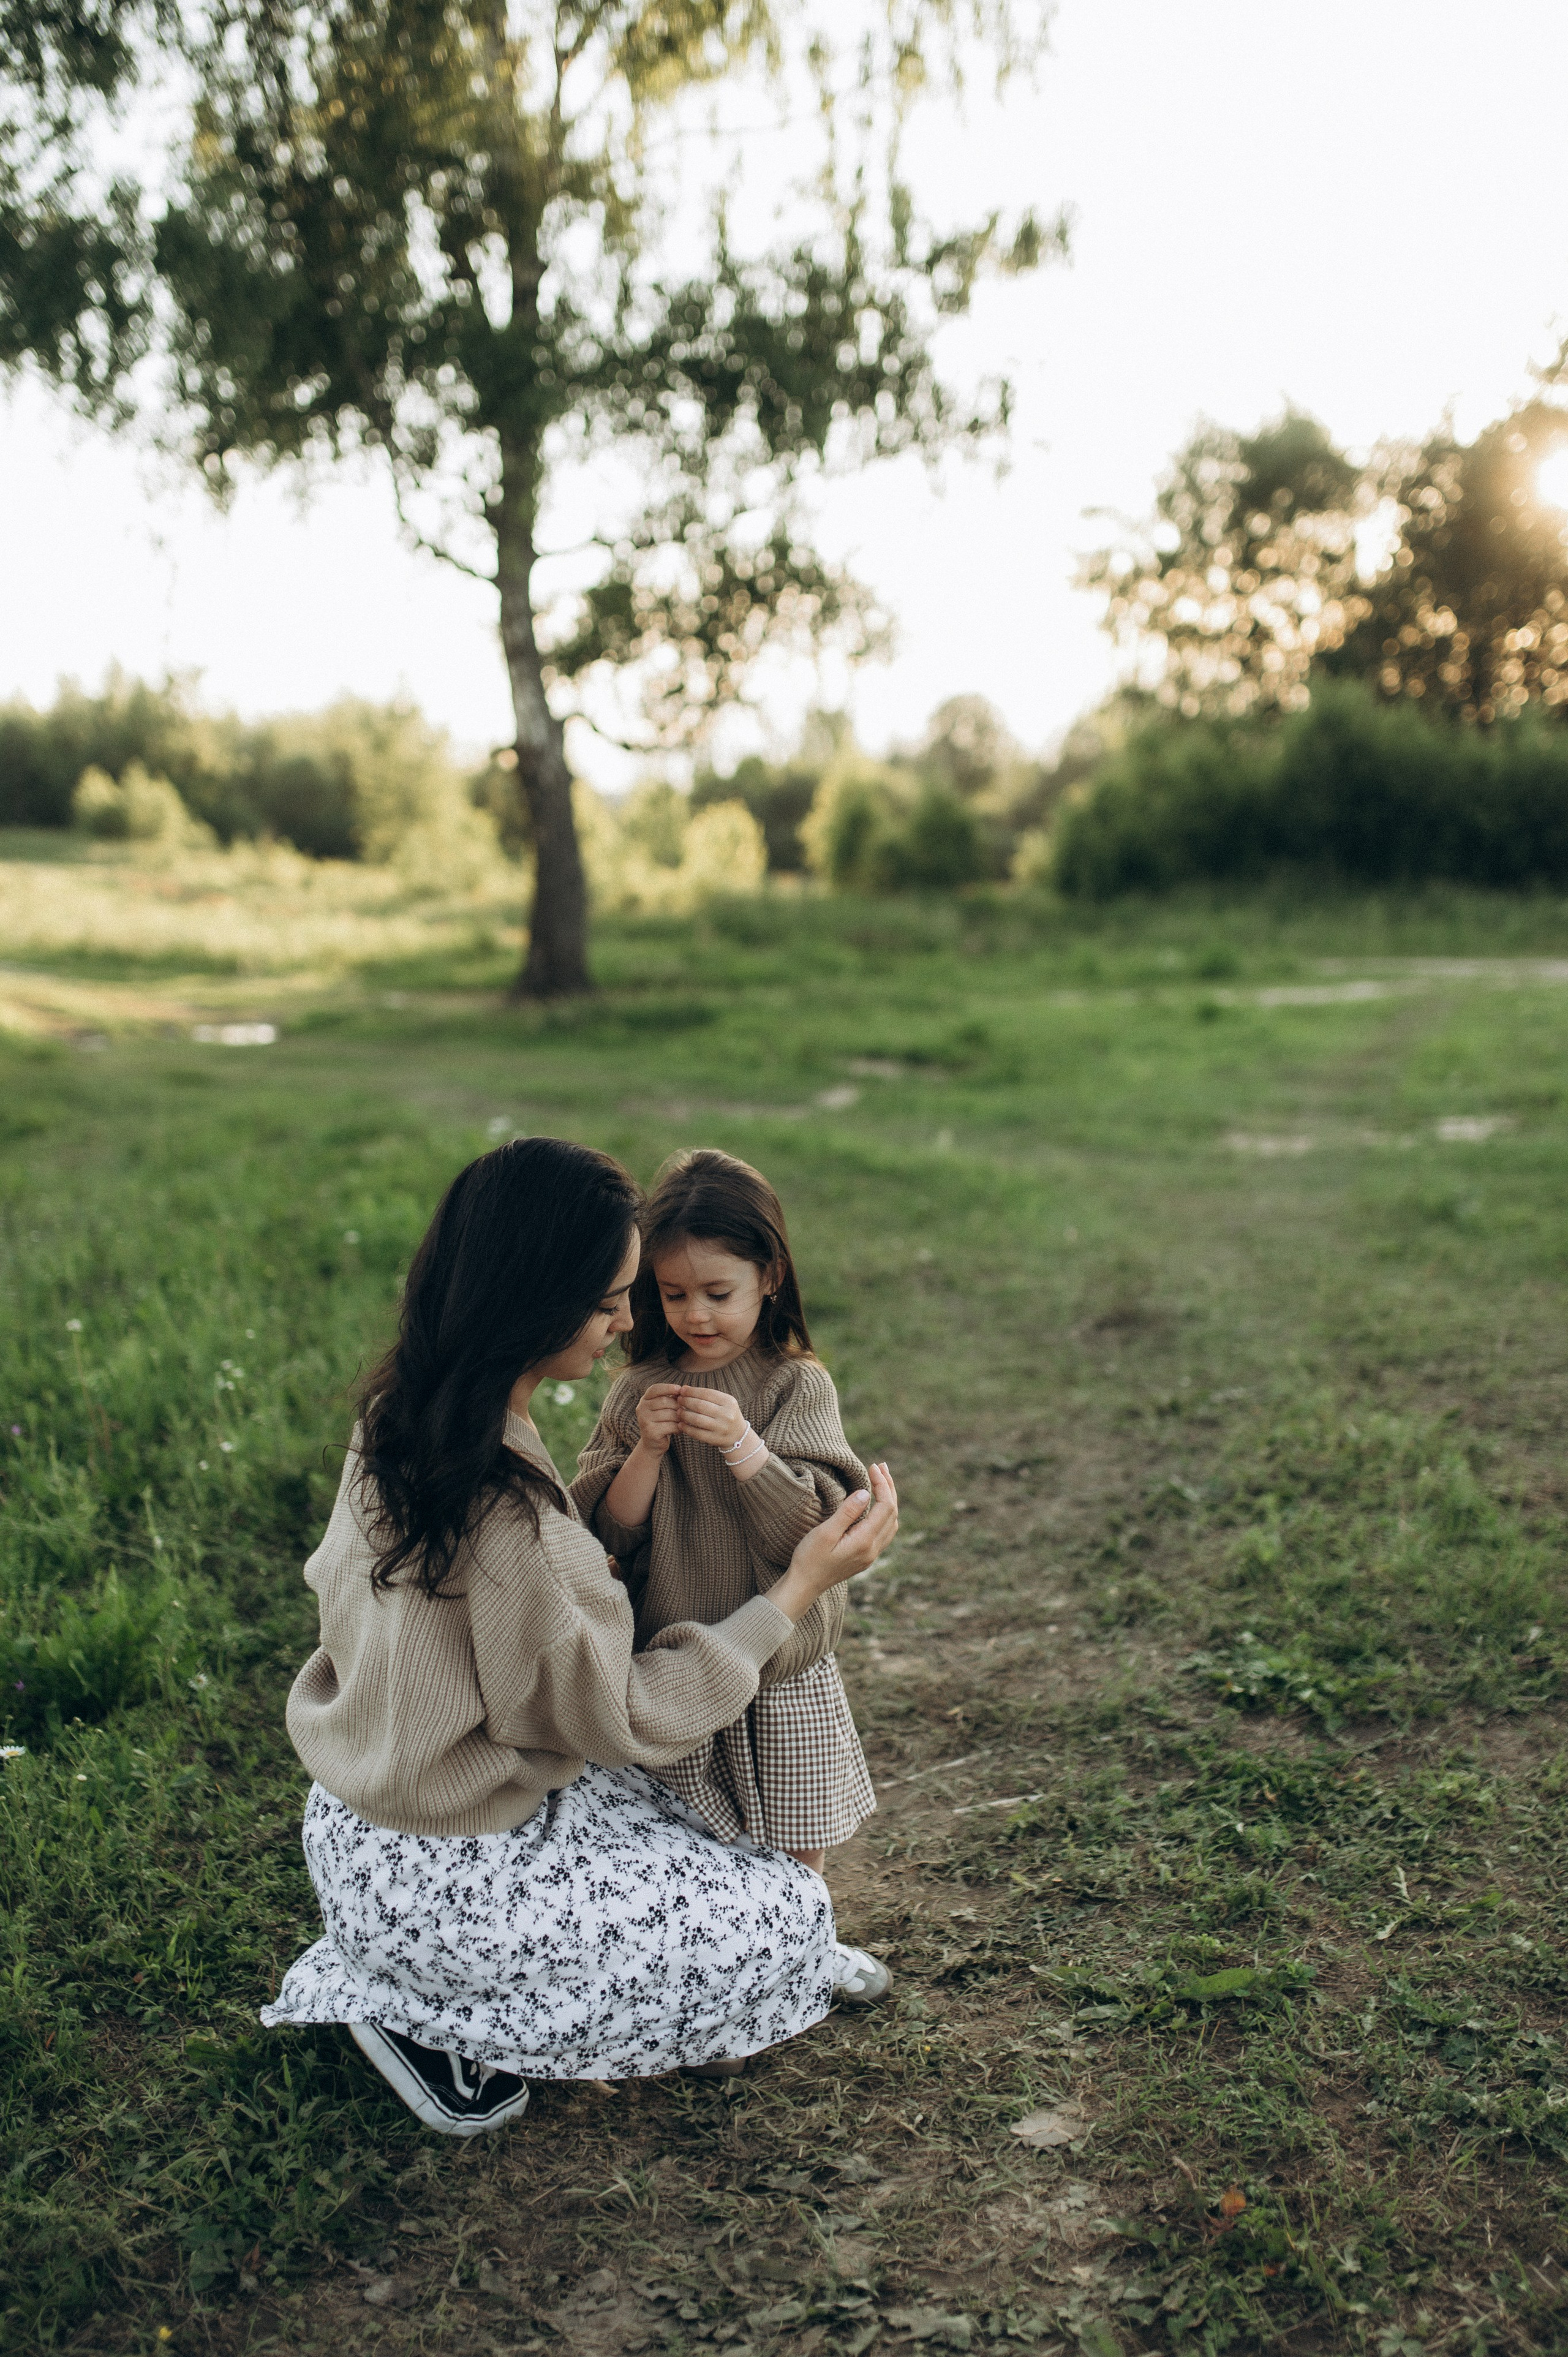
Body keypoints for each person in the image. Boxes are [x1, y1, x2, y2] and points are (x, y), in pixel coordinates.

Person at [260, 1137, 898, 2137]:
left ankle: (403, 1975)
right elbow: (633, 1713)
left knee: (704, 1830)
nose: (626, 1326)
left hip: (356, 1821)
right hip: (453, 1881)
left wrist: (566, 1591)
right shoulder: (513, 1517)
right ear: (536, 1301)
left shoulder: (400, 1415)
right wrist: (804, 1583)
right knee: (788, 1920)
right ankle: (435, 2018)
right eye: (613, 1304)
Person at [572, 1150, 878, 1914]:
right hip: (676, 1660)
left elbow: (813, 1528)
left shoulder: (793, 1383)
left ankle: (801, 1944)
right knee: (695, 1851)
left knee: (794, 1834)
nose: (695, 1315)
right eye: (673, 1294)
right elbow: (610, 1533)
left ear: (770, 1276)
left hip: (779, 1661)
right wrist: (646, 1448)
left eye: (718, 1292)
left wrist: (745, 1447)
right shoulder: (641, 1388)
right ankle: (724, 1955)